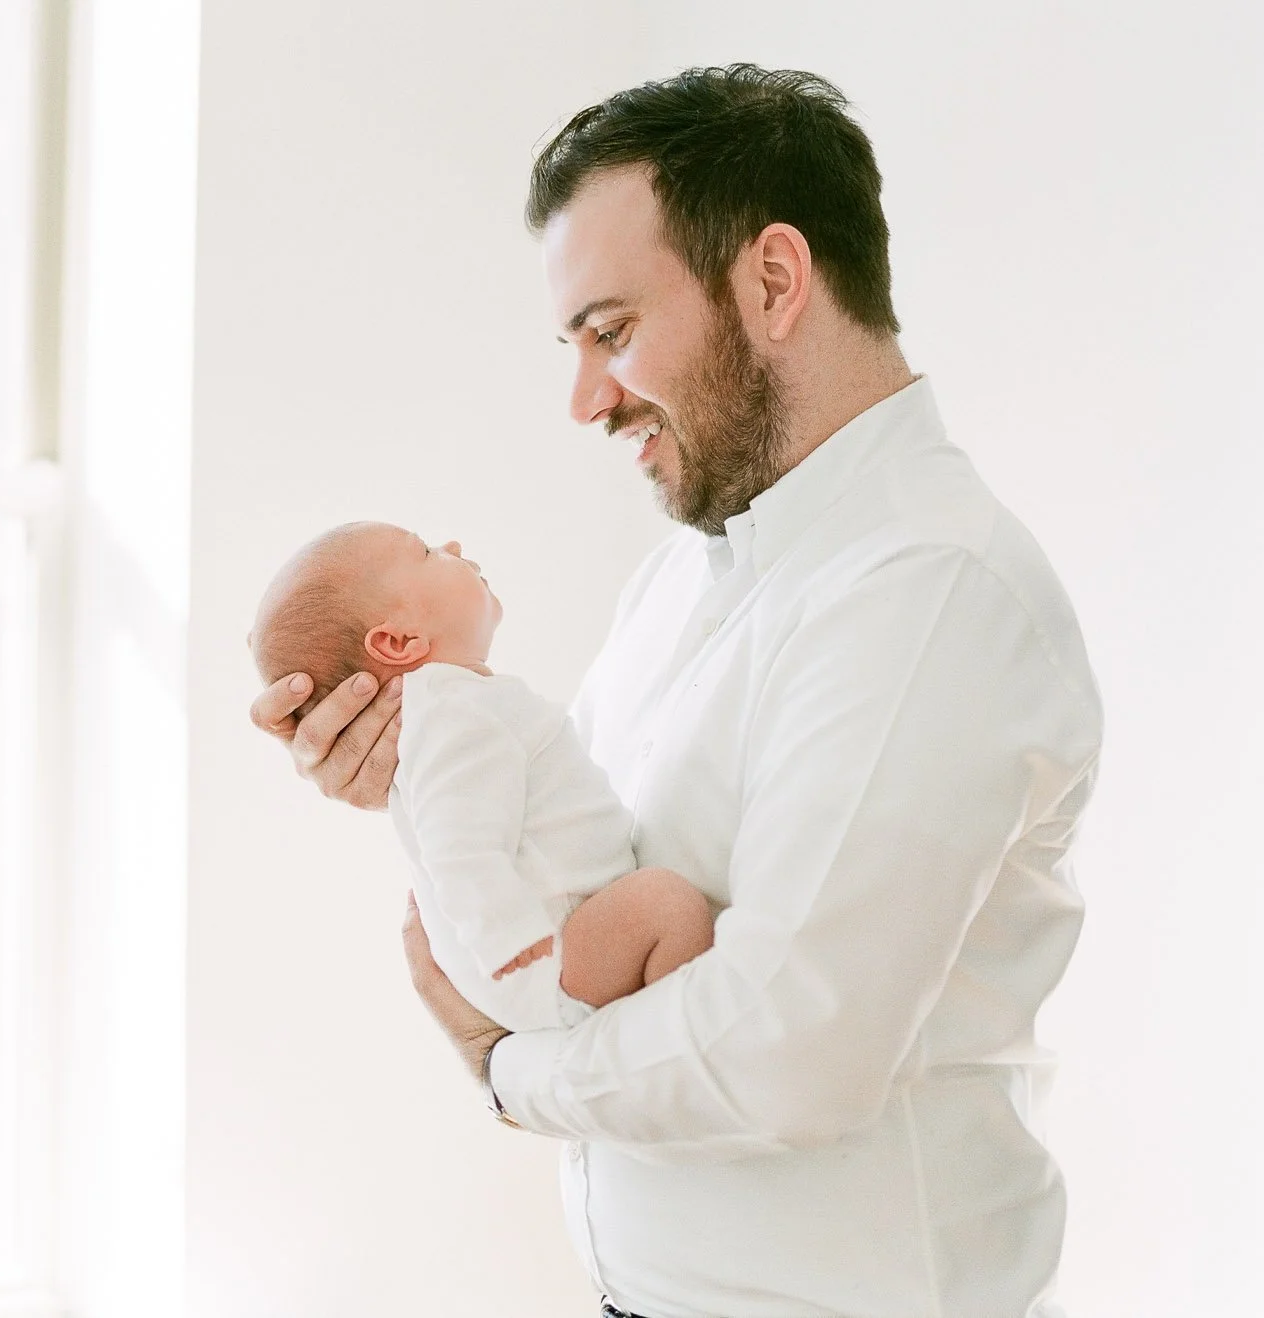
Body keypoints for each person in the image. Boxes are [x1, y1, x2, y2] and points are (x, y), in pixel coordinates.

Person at [249, 65, 1101, 1318]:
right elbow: (573, 887)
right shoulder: (680, 582)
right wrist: (415, 750)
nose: (586, 398)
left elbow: (785, 1051)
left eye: (611, 331)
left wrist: (508, 1070)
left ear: (772, 281)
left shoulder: (931, 588)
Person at [248, 520, 714, 1032]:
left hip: (550, 943)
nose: (452, 546)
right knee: (668, 904)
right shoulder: (454, 713)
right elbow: (458, 842)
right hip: (546, 950)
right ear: (399, 641)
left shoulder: (447, 713)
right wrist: (505, 933)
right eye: (425, 552)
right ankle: (684, 1043)